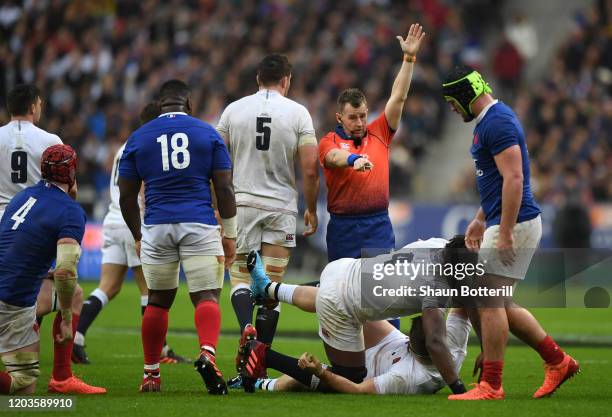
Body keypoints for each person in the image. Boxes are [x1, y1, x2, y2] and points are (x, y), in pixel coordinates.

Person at [442, 66, 579, 400]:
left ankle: (492, 385)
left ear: (464, 95)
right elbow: (496, 180)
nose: (451, 108)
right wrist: (479, 218)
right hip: (508, 220)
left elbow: (515, 179)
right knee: (498, 302)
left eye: (451, 101)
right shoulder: (492, 119)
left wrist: (503, 233)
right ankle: (557, 361)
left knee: (487, 301)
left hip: (514, 223)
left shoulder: (496, 122)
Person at [241, 236, 475, 396]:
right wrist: (459, 388)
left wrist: (488, 348)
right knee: (348, 376)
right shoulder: (437, 289)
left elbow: (465, 307)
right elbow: (436, 338)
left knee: (333, 297)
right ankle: (262, 354)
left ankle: (269, 290)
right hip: (341, 303)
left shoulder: (441, 245)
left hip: (343, 270)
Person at [118, 80, 236, 394]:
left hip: (157, 226)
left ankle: (151, 375)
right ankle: (208, 354)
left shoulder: (138, 138)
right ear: (188, 104)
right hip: (198, 222)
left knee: (158, 301)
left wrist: (138, 234)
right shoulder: (207, 133)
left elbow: (126, 197)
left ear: (160, 104)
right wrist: (231, 234)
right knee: (206, 296)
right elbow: (224, 188)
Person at [216, 53, 319, 382]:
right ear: (286, 80)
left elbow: (216, 162)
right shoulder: (298, 113)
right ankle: (254, 370)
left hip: (242, 204)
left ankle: (245, 327)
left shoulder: (233, 110)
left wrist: (219, 207)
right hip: (281, 209)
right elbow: (309, 170)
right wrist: (312, 207)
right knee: (271, 289)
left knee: (241, 281)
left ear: (257, 79)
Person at [0, 85, 101, 394]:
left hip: (12, 219)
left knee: (37, 296)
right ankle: (60, 375)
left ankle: (27, 352)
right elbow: (67, 269)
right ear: (34, 107)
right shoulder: (50, 142)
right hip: (38, 226)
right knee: (67, 294)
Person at [73, 102, 188, 365]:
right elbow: (146, 190)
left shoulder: (125, 146)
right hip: (133, 222)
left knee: (108, 288)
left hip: (112, 220)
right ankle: (160, 350)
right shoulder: (150, 144)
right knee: (150, 290)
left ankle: (76, 338)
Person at [318, 24, 425, 263]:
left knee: (378, 290)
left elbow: (398, 97)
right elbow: (333, 157)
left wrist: (409, 58)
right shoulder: (329, 141)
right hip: (343, 227)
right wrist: (353, 160)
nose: (359, 122)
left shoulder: (380, 132)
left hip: (377, 224)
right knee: (341, 294)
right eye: (352, 117)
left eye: (363, 116)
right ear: (339, 118)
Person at [250, 309, 471, 395]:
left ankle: (258, 377)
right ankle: (276, 290)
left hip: (366, 370)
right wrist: (490, 355)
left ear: (413, 343)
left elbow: (357, 390)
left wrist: (321, 371)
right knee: (344, 302)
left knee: (295, 383)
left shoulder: (407, 377)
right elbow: (467, 302)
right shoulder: (452, 344)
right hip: (393, 343)